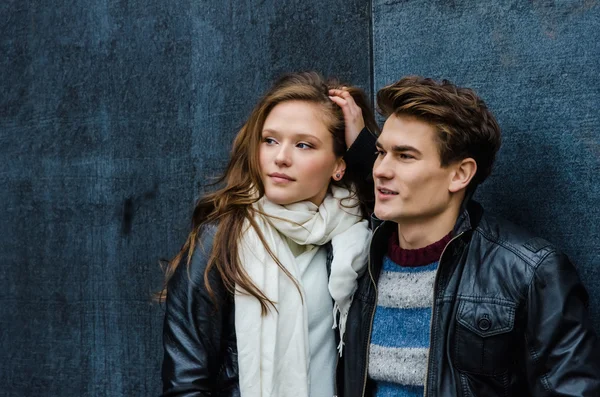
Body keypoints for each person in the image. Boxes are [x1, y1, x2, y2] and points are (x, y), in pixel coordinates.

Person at [339, 76, 600, 396]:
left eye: (405, 156)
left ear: (460, 174)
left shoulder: (529, 272)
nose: (380, 169)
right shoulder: (359, 259)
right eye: (381, 152)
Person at [160, 71, 379, 397]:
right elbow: (186, 383)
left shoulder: (359, 239)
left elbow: (422, 206)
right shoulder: (218, 242)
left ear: (338, 165)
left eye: (304, 145)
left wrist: (364, 150)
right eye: (270, 140)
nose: (280, 157)